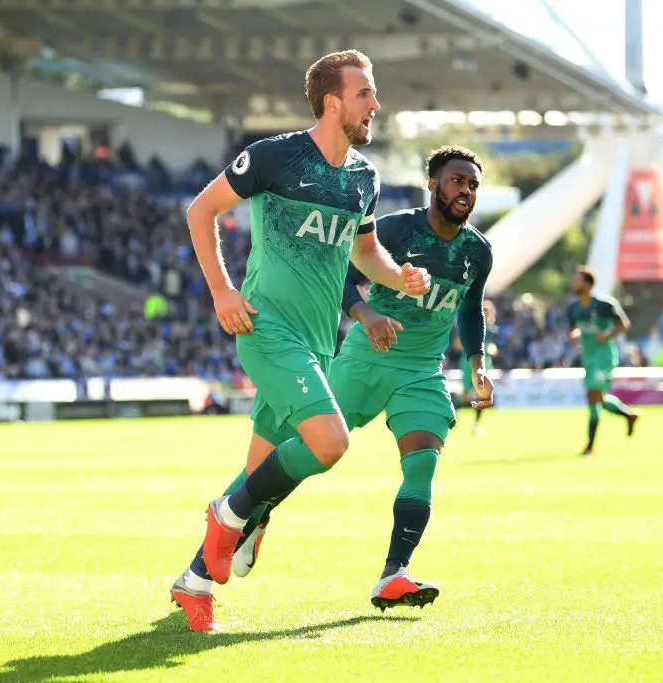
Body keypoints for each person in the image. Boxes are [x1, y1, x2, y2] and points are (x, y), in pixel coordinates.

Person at [171, 49, 430, 632]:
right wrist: (222, 291)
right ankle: (226, 517)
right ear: (333, 101)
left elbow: (366, 256)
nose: (375, 104)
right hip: (265, 330)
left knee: (258, 488)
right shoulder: (275, 156)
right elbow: (201, 209)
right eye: (365, 93)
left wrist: (402, 278)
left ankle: (193, 583)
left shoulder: (364, 176)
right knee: (331, 443)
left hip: (318, 344)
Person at [229, 145, 494, 612]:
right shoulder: (395, 228)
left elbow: (470, 310)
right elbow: (342, 273)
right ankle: (244, 516)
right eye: (456, 181)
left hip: (422, 371)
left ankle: (394, 575)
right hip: (365, 358)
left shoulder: (478, 252)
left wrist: (478, 364)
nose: (465, 191)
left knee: (422, 463)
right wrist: (366, 313)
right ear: (433, 184)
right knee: (306, 449)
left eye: (472, 184)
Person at [567, 266, 639, 456]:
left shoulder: (605, 304)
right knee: (597, 399)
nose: (574, 283)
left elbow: (624, 323)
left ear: (587, 283)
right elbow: (574, 328)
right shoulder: (574, 308)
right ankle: (628, 415)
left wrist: (608, 334)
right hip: (588, 358)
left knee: (593, 396)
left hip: (604, 357)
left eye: (577, 280)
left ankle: (590, 446)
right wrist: (574, 335)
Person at [455, 299, 498, 435]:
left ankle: (477, 425)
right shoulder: (469, 327)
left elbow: (494, 347)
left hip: (486, 364)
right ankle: (455, 417)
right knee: (466, 394)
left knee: (483, 393)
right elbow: (457, 344)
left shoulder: (492, 330)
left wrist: (491, 349)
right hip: (469, 363)